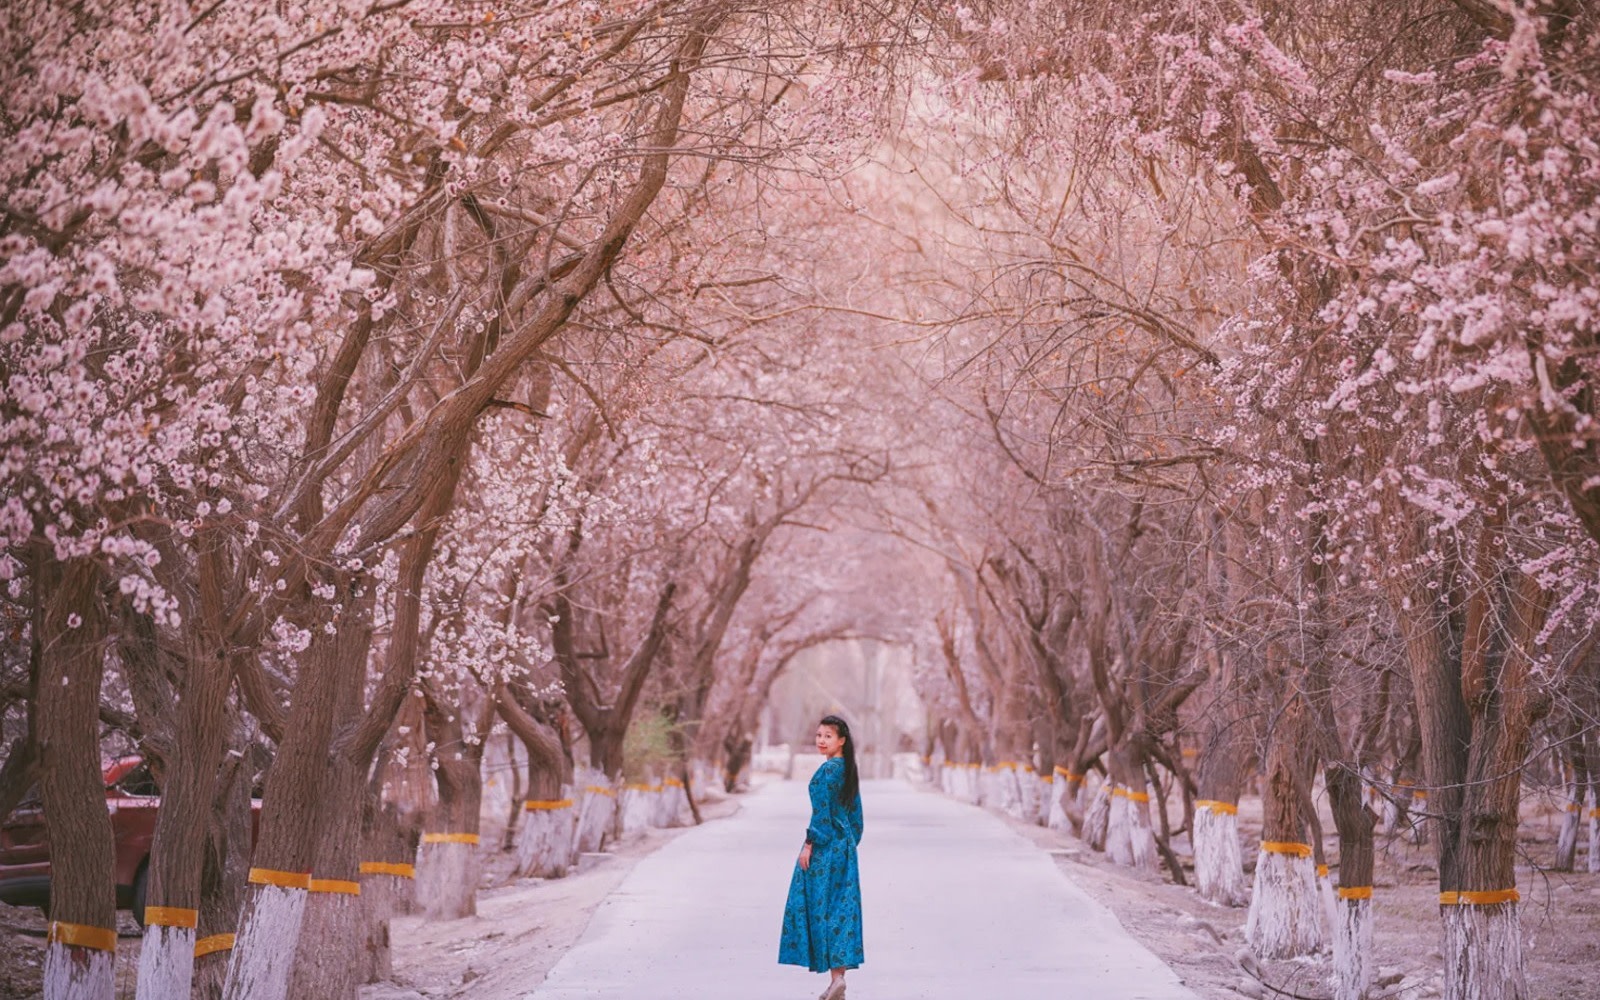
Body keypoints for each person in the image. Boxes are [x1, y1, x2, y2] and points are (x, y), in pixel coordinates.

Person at [778, 714, 864, 999]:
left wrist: (809, 845)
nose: (821, 741)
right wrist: (847, 846)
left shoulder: (827, 773)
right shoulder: (848, 771)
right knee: (841, 911)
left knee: (819, 909)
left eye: (828, 736)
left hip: (825, 850)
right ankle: (837, 979)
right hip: (846, 850)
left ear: (842, 741)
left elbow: (821, 818)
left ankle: (836, 979)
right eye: (818, 735)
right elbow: (857, 819)